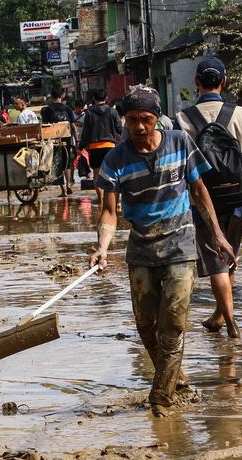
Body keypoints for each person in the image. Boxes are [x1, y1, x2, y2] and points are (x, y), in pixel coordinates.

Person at [89, 87, 234, 417]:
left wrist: (218, 235)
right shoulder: (115, 160)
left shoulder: (180, 143)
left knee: (172, 325)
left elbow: (199, 192)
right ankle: (174, 381)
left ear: (157, 119)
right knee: (145, 327)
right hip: (141, 251)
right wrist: (102, 248)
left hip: (180, 246)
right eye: (132, 121)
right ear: (123, 120)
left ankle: (161, 397)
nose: (139, 128)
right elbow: (110, 213)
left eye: (146, 120)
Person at [176, 57, 242, 339]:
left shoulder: (183, 118)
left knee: (217, 263)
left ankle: (229, 321)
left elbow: (181, 166)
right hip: (238, 198)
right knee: (229, 254)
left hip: (202, 200)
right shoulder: (241, 114)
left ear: (196, 82)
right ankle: (221, 317)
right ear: (224, 81)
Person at [78, 89, 123, 204]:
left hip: (95, 148)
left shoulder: (89, 113)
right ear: (106, 98)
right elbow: (119, 129)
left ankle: (100, 198)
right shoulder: (112, 112)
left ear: (94, 99)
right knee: (112, 173)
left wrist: (81, 145)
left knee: (96, 174)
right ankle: (113, 199)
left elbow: (86, 132)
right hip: (110, 147)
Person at [42, 89, 79, 196]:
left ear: (51, 97)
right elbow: (73, 126)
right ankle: (68, 184)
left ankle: (63, 190)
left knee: (57, 163)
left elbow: (45, 127)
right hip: (66, 139)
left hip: (53, 140)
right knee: (67, 162)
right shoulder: (67, 108)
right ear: (62, 96)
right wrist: (77, 140)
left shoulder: (48, 109)